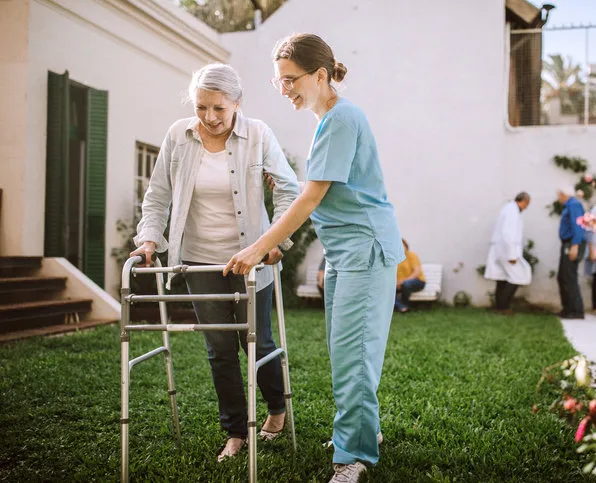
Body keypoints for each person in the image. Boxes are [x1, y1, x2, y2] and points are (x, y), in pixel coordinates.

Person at [222, 33, 404, 483]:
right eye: (278, 80)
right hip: (346, 253)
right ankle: (365, 432)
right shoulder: (330, 119)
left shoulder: (341, 119)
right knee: (350, 353)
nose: (284, 88)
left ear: (320, 75)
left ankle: (353, 457)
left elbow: (308, 199)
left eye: (291, 79)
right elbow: (324, 201)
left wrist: (257, 247)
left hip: (365, 251)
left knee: (353, 356)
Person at [130, 63, 300, 461]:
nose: (209, 117)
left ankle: (276, 410)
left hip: (250, 258)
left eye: (219, 109)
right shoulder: (178, 135)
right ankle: (236, 432)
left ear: (237, 103)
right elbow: (157, 195)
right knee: (218, 346)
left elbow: (290, 190)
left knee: (256, 341)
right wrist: (149, 239)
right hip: (197, 260)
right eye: (201, 107)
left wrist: (275, 241)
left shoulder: (258, 134)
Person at [484, 192, 532, 314]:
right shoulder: (512, 212)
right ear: (524, 201)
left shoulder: (509, 209)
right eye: (527, 204)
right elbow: (507, 234)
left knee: (502, 278)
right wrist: (511, 255)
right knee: (518, 277)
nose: (526, 207)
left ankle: (500, 307)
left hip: (501, 249)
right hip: (507, 250)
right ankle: (504, 307)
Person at [556, 185, 586, 319]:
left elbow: (578, 225)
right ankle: (567, 308)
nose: (558, 198)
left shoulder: (574, 205)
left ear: (563, 194)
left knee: (569, 276)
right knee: (563, 276)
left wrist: (575, 245)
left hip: (571, 243)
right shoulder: (570, 205)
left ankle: (576, 310)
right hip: (568, 243)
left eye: (559, 195)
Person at [395, 239, 426, 313]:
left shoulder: (412, 255)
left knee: (406, 284)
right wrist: (396, 283)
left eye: (402, 245)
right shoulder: (394, 258)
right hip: (399, 284)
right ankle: (402, 307)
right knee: (386, 290)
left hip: (417, 281)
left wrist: (403, 281)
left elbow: (417, 272)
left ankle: (404, 304)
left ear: (406, 246)